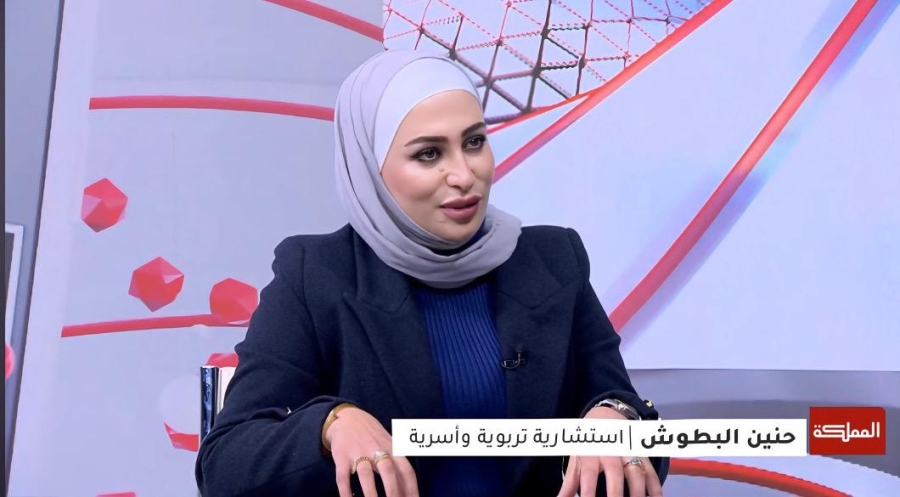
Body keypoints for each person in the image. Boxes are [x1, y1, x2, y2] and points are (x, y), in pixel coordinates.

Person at [195, 49, 668, 497]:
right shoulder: (315, 274)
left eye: (474, 142)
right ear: (370, 167)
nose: (463, 175)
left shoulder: (554, 258)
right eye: (428, 154)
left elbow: (629, 416)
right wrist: (329, 424)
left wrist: (615, 419)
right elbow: (226, 465)